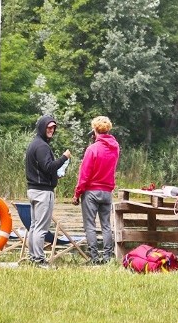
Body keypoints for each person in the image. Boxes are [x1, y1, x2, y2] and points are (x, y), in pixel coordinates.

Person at [24, 114, 71, 267]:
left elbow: (43, 168)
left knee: (34, 226)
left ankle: (32, 257)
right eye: (48, 127)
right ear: (42, 127)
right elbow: (49, 166)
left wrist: (55, 175)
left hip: (33, 190)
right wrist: (64, 158)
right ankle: (38, 259)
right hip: (43, 192)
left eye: (53, 127)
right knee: (41, 228)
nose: (51, 130)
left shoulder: (34, 144)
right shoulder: (42, 146)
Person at [73, 115, 120, 264]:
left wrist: (77, 194)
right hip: (107, 192)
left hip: (91, 192)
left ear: (95, 130)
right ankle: (107, 257)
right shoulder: (115, 148)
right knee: (106, 225)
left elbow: (84, 175)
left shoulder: (92, 149)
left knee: (90, 225)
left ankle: (94, 258)